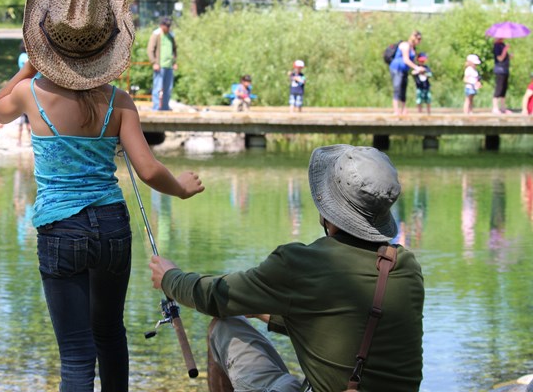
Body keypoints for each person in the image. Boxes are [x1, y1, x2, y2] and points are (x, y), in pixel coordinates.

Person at [0, 0, 205, 391]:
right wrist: (179, 187)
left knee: (75, 352)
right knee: (109, 333)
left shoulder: (29, 94)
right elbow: (147, 170)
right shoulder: (120, 102)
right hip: (111, 227)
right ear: (107, 45)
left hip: (60, 228)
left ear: (47, 42)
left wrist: (33, 62)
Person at [149, 145, 425, 392]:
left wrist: (169, 277)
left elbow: (213, 298)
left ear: (328, 209)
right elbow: (340, 324)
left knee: (224, 326)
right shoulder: (406, 265)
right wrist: (262, 311)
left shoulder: (301, 263)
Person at [388, 31, 424, 115]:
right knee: (397, 88)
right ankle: (396, 110)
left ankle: (403, 109)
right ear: (413, 38)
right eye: (418, 39)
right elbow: (406, 60)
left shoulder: (413, 48)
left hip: (404, 70)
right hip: (396, 69)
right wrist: (416, 67)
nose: (419, 41)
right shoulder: (405, 45)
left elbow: (411, 62)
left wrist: (416, 70)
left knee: (403, 89)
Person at [147, 16, 177, 111]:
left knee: (168, 89)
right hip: (159, 66)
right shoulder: (156, 34)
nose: (168, 27)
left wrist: (174, 62)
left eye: (169, 25)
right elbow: (150, 50)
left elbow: (174, 50)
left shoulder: (171, 35)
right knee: (157, 88)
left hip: (169, 66)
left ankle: (165, 107)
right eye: (166, 25)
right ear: (161, 25)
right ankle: (156, 107)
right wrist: (154, 62)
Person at [16, 40, 32, 146]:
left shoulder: (23, 56)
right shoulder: (24, 57)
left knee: (28, 117)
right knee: (24, 117)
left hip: (30, 84)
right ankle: (19, 140)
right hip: (27, 84)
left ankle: (28, 139)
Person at [492, 38, 511, 114]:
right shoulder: (496, 46)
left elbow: (505, 57)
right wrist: (505, 50)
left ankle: (503, 107)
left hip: (505, 69)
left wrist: (509, 56)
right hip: (500, 70)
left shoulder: (502, 45)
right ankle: (495, 107)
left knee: (504, 89)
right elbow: (500, 58)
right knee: (499, 88)